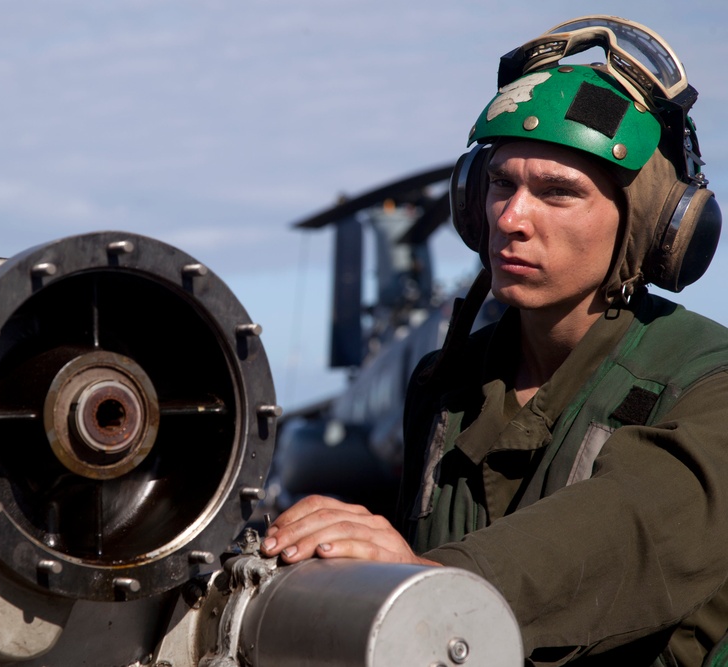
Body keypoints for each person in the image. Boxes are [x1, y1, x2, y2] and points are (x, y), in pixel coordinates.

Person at [261, 15, 728, 666]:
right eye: (501, 183)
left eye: (557, 193)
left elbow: (626, 531)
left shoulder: (709, 385)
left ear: (647, 227)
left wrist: (422, 580)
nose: (510, 219)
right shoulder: (447, 384)